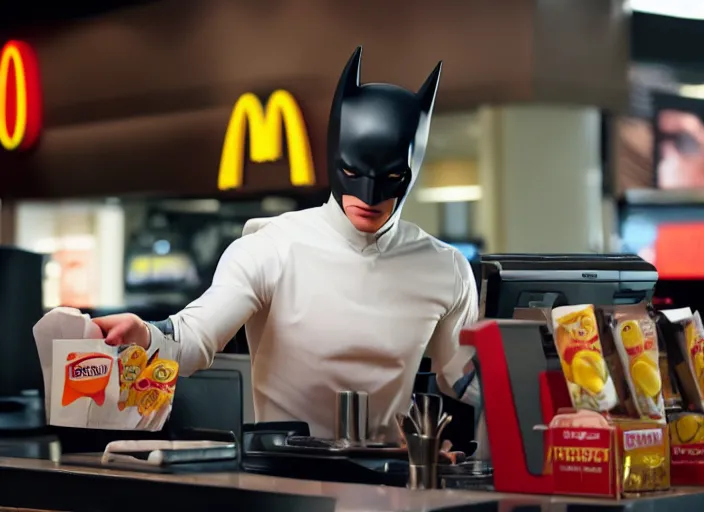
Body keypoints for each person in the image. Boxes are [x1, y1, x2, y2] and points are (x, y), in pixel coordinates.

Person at [94, 47, 480, 441]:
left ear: (411, 172)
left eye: (391, 178)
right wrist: (143, 333)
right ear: (334, 158)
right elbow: (194, 337)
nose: (369, 195)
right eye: (352, 172)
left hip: (392, 480)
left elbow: (461, 377)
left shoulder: (445, 268)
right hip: (289, 478)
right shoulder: (270, 248)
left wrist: (533, 378)